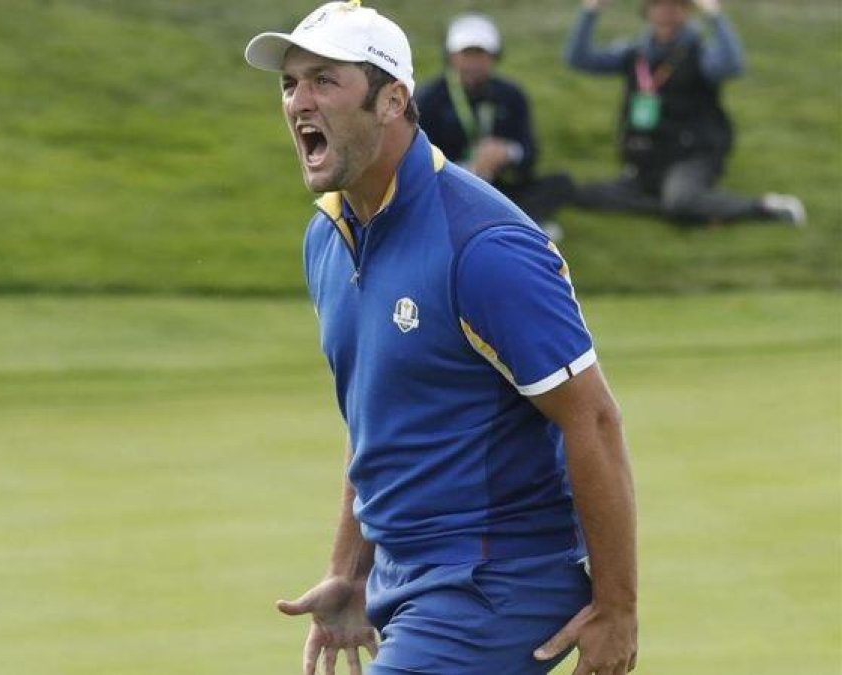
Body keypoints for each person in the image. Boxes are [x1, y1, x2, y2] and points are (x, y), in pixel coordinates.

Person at [244, 2, 638, 673]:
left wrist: (618, 608)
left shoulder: (484, 245)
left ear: (392, 100)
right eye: (290, 84)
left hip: (501, 582)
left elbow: (593, 419)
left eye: (323, 81)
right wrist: (349, 569)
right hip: (406, 577)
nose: (299, 102)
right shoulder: (328, 238)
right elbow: (378, 412)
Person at [566, 0, 806, 226]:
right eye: (658, 3)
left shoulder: (698, 53)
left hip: (693, 155)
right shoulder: (634, 52)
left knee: (681, 200)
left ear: (686, 10)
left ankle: (765, 207)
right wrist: (591, 10)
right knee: (581, 194)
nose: (665, 10)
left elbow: (732, 65)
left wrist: (714, 15)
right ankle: (678, 208)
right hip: (647, 156)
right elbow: (578, 59)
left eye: (675, 4)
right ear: (647, 10)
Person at [416, 13, 575, 233]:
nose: (474, 63)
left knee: (561, 183)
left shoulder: (512, 94)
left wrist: (507, 152)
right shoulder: (429, 97)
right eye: (467, 54)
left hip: (502, 184)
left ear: (494, 57)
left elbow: (530, 152)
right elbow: (420, 162)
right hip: (450, 186)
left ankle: (502, 221)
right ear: (452, 57)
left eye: (481, 54)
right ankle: (516, 223)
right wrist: (469, 169)